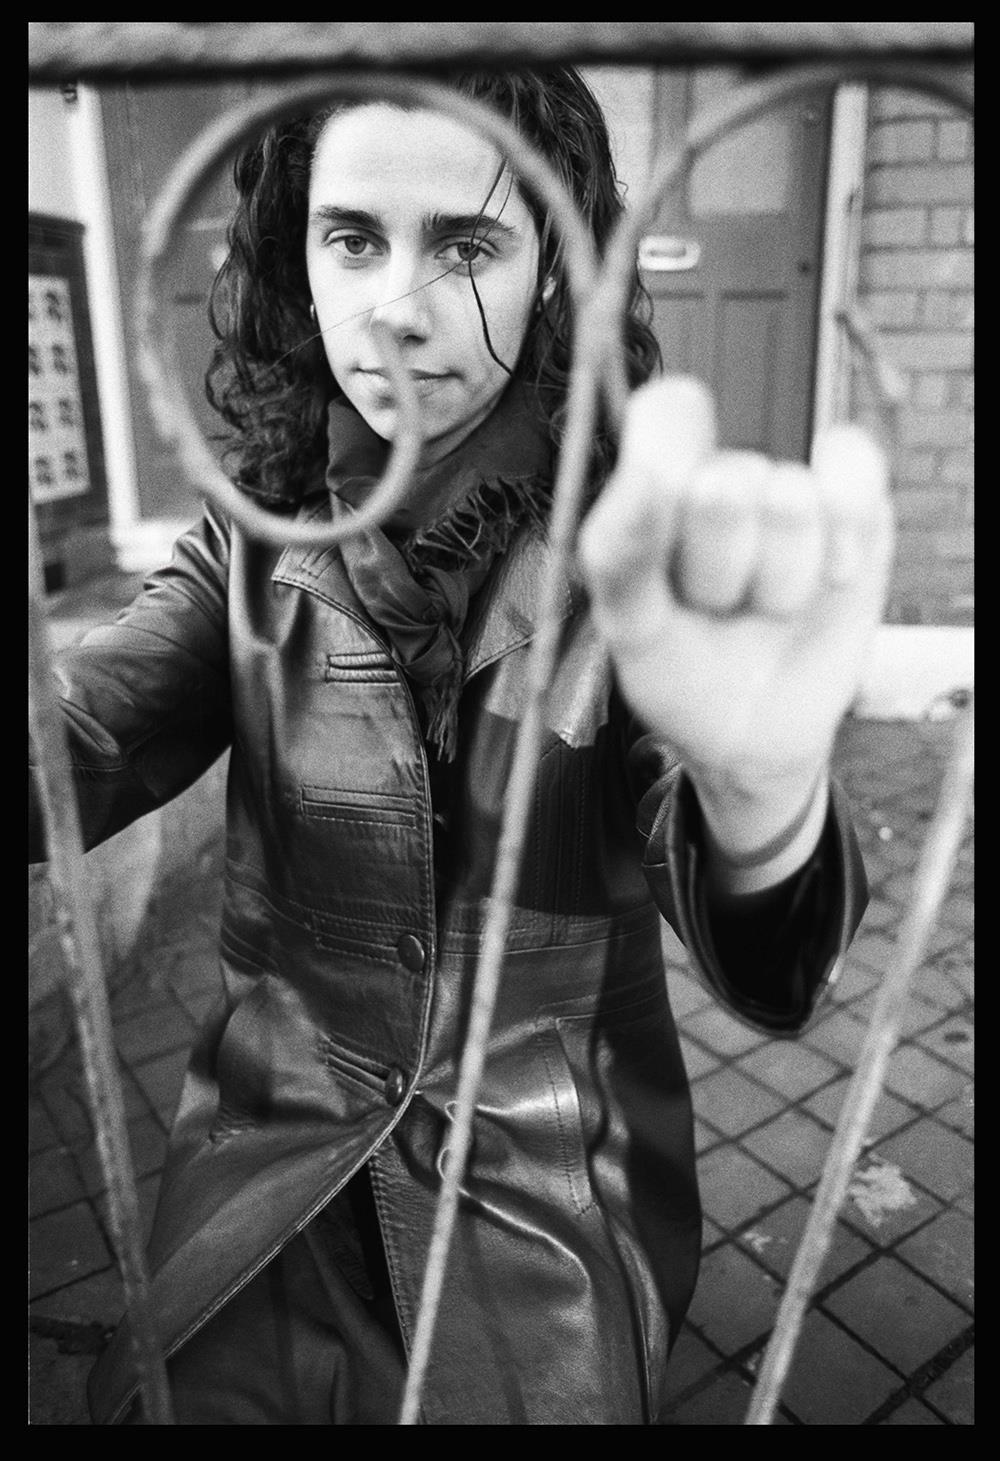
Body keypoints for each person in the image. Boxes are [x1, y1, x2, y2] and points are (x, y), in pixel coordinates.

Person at [29, 67, 891, 1425]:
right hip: (270, 1150)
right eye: (353, 236)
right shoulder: (247, 547)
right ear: (292, 252)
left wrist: (762, 787)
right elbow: (78, 733)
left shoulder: (626, 561)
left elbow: (773, 968)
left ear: (551, 264)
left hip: (547, 1185)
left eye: (467, 243)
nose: (398, 311)